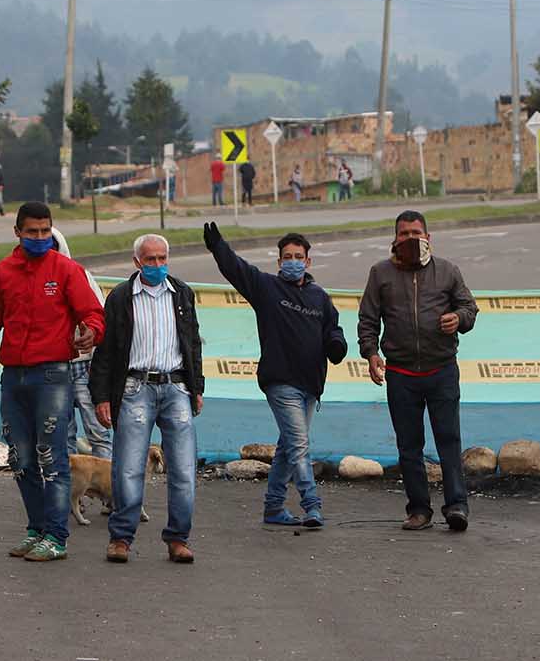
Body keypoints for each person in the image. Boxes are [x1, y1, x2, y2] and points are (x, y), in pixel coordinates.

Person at [0, 201, 105, 563]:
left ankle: (57, 537)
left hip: (52, 376)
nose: (40, 237)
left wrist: (92, 331)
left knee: (53, 458)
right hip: (13, 377)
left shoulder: (67, 270)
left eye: (46, 231)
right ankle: (37, 529)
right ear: (18, 232)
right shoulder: (4, 271)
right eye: (33, 231)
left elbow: (93, 313)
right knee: (20, 458)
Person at [202, 222, 345, 527]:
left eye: (298, 257)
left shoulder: (320, 297)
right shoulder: (266, 288)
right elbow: (236, 269)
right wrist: (218, 246)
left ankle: (273, 507)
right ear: (279, 261)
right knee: (299, 445)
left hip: (310, 386)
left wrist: (336, 344)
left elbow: (333, 329)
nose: (293, 262)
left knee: (288, 448)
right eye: (287, 257)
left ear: (308, 261)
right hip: (281, 383)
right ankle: (312, 505)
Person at [358, 210, 478, 531]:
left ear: (428, 237)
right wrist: (371, 353)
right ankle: (419, 511)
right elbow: (368, 320)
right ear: (395, 238)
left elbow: (469, 308)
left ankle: (457, 506)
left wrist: (459, 319)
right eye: (404, 234)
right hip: (401, 375)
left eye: (416, 233)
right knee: (409, 447)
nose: (411, 238)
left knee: (448, 441)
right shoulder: (380, 274)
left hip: (442, 371)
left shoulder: (448, 271)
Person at [90, 233, 203, 564]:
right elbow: (106, 351)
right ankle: (121, 538)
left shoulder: (182, 294)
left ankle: (178, 539)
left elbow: (192, 342)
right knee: (128, 468)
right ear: (137, 261)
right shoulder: (120, 297)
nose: (157, 265)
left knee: (183, 469)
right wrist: (101, 396)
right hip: (134, 388)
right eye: (150, 259)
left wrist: (197, 388)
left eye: (162, 258)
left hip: (176, 387)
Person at [52, 228, 110, 462]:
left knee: (98, 431)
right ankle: (69, 482)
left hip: (84, 365)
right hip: (53, 366)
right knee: (63, 433)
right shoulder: (32, 280)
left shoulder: (79, 275)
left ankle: (106, 479)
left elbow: (98, 315)